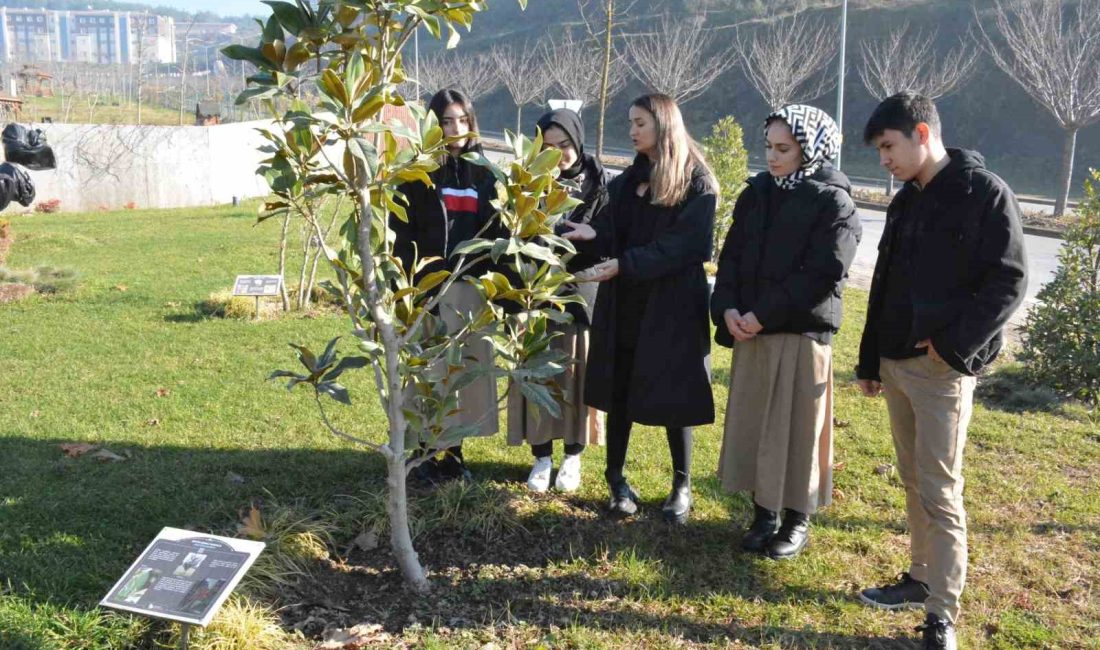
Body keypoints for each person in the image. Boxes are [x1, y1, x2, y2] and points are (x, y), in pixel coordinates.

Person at [855, 92, 1027, 650]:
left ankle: (941, 616)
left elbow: (1009, 282)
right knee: (913, 482)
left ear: (922, 133)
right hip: (896, 363)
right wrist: (869, 359)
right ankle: (919, 577)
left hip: (941, 371)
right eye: (879, 149)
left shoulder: (984, 193)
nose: (884, 159)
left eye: (889, 146)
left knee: (940, 491)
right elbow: (882, 283)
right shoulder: (907, 199)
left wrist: (953, 346)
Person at [711, 104, 860, 560]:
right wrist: (729, 308)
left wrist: (763, 313)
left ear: (809, 150)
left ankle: (796, 518)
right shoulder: (757, 193)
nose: (772, 158)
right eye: (769, 147)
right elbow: (731, 256)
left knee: (797, 430)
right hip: (752, 330)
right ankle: (763, 514)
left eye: (784, 149)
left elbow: (823, 272)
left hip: (800, 335)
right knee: (758, 424)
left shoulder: (833, 201)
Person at [563, 93, 717, 524]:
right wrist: (592, 234)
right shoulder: (627, 182)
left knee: (675, 390)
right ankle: (616, 480)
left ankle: (681, 485)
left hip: (672, 306)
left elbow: (685, 247)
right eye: (630, 122)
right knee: (619, 387)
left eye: (639, 123)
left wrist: (624, 263)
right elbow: (615, 230)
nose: (631, 131)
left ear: (664, 125)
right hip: (625, 299)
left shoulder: (697, 183)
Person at [391, 88, 499, 483]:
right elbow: (401, 234)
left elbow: (497, 232)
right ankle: (422, 455)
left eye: (462, 120)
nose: (455, 129)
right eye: (446, 122)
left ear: (471, 123)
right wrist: (407, 287)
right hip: (426, 288)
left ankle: (453, 454)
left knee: (462, 378)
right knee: (427, 375)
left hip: (469, 290)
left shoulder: (485, 172)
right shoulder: (418, 173)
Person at [507, 109, 610, 493]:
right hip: (535, 293)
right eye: (548, 146)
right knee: (537, 373)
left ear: (578, 142)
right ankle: (541, 456)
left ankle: (572, 455)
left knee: (574, 376)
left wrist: (590, 236)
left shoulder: (599, 182)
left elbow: (608, 237)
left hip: (578, 294)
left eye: (564, 145)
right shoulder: (528, 183)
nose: (558, 154)